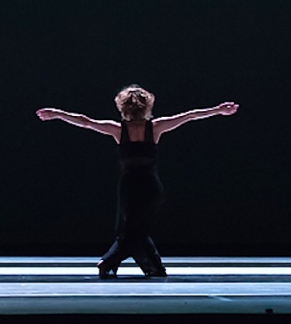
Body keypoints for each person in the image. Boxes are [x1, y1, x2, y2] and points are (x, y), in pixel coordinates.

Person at [37, 85, 238, 278]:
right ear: (147, 106)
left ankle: (111, 261)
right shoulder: (156, 127)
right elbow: (189, 116)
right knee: (136, 229)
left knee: (132, 228)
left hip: (129, 187)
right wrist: (217, 110)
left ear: (122, 107)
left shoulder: (118, 129)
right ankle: (147, 267)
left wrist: (58, 113)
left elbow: (85, 121)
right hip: (150, 187)